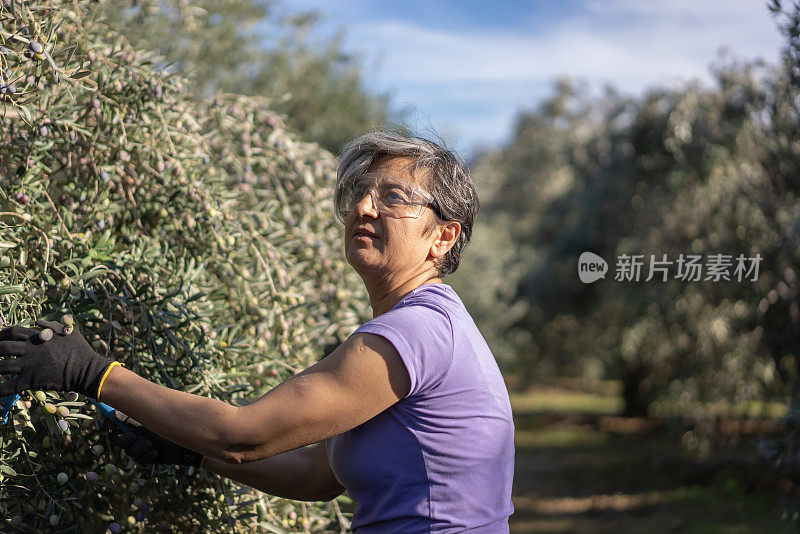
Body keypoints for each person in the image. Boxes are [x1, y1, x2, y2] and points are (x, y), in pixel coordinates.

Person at [0, 130, 515, 533]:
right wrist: (190, 451)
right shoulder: (421, 328)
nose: (363, 208)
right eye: (360, 193)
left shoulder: (419, 331)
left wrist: (89, 372)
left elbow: (244, 436)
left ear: (442, 237)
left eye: (394, 197)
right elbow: (319, 477)